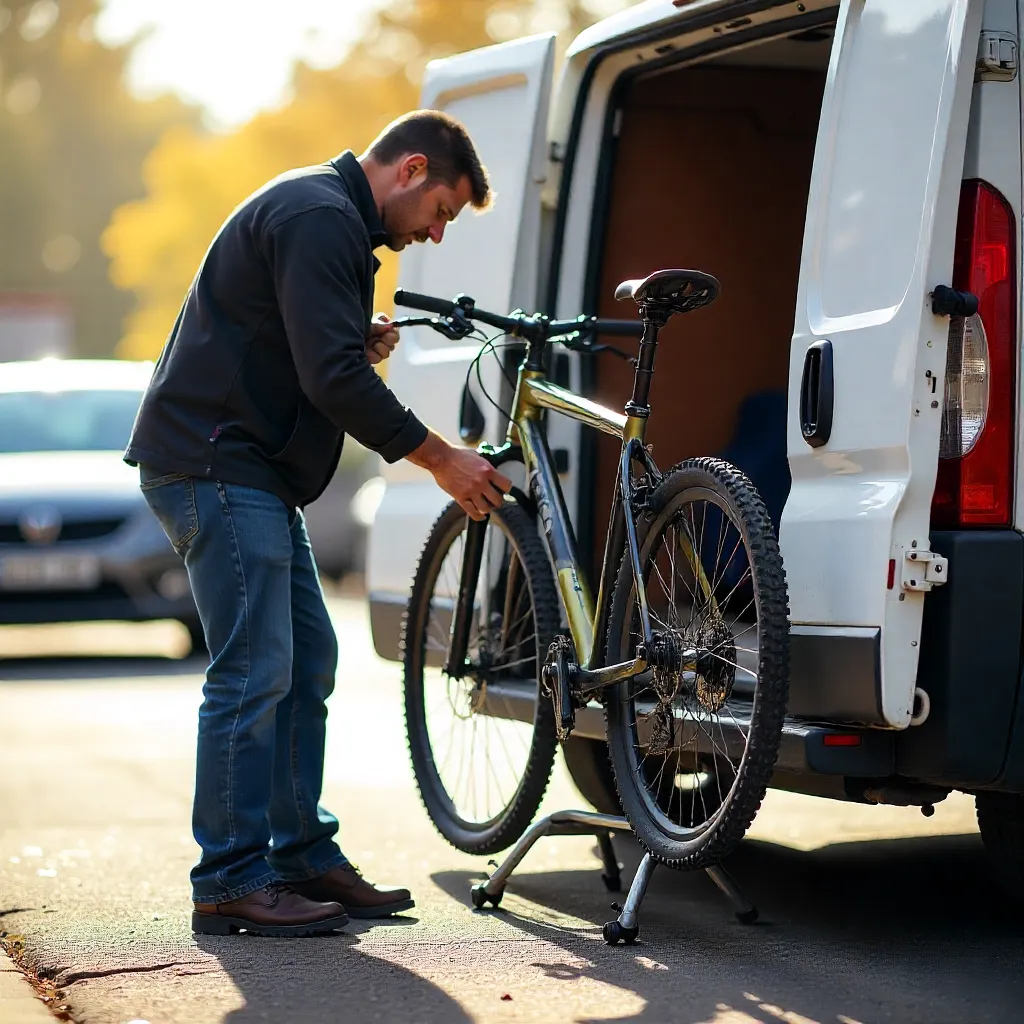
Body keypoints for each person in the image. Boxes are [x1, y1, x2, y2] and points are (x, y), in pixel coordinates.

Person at [125, 110, 512, 938]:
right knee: (256, 667)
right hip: (216, 462)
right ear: (411, 170)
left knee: (305, 659)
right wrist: (441, 456)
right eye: (442, 212)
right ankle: (230, 876)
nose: (437, 235)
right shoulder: (319, 217)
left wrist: (345, 339)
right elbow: (332, 380)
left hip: (245, 468)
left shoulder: (326, 219)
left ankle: (300, 855)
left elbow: (306, 351)